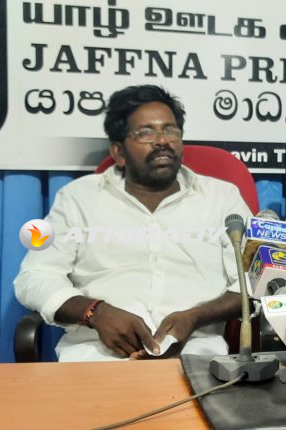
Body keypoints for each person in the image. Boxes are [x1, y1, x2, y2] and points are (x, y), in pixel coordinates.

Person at [14, 85, 252, 361]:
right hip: (96, 354)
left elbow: (253, 280)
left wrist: (196, 317)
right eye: (145, 133)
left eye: (170, 131)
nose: (161, 141)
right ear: (119, 152)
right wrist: (96, 312)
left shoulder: (221, 198)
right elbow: (34, 277)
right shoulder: (78, 198)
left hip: (195, 354)